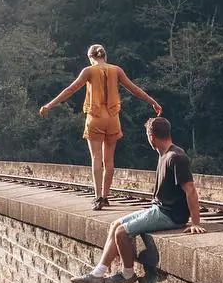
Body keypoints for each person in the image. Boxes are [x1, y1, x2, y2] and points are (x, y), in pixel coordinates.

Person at [71, 117, 206, 283]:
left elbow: (191, 190)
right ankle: (97, 274)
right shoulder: (164, 154)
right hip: (158, 209)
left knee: (122, 233)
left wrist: (195, 222)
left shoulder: (176, 157)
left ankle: (128, 274)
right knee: (115, 225)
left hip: (169, 215)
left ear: (151, 136)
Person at [39, 44, 161, 210]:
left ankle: (97, 198)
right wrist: (153, 102)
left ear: (90, 57)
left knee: (96, 159)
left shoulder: (88, 71)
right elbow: (134, 89)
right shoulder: (116, 70)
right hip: (112, 119)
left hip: (95, 118)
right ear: (105, 56)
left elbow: (71, 89)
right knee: (109, 160)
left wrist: (49, 105)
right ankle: (105, 196)